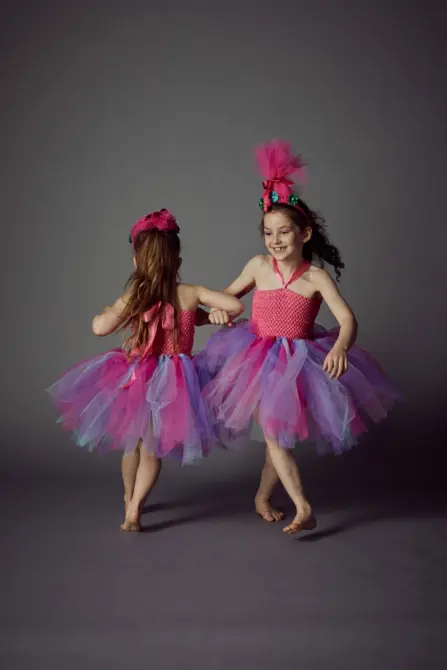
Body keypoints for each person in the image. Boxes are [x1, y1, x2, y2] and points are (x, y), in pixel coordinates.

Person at [195, 141, 401, 534]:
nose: (274, 240)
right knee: (276, 434)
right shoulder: (257, 266)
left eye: (284, 232)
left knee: (279, 434)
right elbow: (222, 302)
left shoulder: (316, 277)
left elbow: (347, 318)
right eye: (268, 232)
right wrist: (213, 315)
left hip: (297, 363)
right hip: (254, 357)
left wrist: (341, 345)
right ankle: (303, 506)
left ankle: (261, 496)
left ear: (304, 234)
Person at [48, 209, 244, 531]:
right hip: (176, 381)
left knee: (132, 445)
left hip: (137, 375)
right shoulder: (190, 293)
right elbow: (235, 306)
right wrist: (214, 315)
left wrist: (105, 312)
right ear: (177, 261)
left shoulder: (134, 295)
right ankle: (134, 509)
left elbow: (100, 328)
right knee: (152, 450)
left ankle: (129, 499)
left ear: (137, 262)